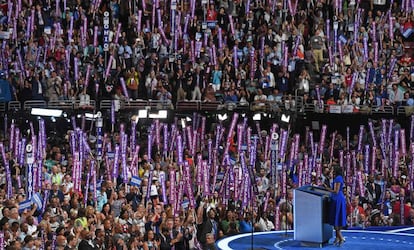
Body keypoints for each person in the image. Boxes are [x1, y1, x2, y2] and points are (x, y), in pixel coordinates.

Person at [326, 166, 347, 245]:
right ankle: (337, 238)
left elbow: (336, 191)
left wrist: (327, 188)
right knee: (336, 219)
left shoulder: (338, 178)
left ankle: (341, 238)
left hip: (337, 199)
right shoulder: (337, 178)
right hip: (336, 199)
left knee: (336, 219)